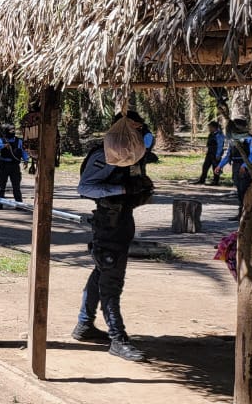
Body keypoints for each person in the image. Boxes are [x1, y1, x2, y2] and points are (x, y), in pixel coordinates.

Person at [71, 137, 154, 362]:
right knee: (111, 282)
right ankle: (118, 339)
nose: (144, 136)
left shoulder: (131, 153)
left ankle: (84, 324)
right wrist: (123, 189)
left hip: (121, 221)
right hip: (109, 223)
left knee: (102, 272)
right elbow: (85, 187)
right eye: (138, 131)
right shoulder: (106, 154)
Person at [217, 119, 252, 221]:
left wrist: (245, 166)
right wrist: (220, 165)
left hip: (246, 167)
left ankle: (246, 213)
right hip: (236, 166)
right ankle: (241, 213)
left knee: (245, 190)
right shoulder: (234, 140)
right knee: (239, 190)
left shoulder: (249, 139)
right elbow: (229, 153)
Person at [0, 125, 29, 209]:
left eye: (13, 130)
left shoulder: (19, 141)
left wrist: (26, 160)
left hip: (15, 166)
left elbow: (23, 151)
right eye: (11, 130)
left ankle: (19, 205)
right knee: (1, 186)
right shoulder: (0, 140)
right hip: (4, 166)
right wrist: (3, 146)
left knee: (16, 186)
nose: (13, 132)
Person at [193, 121, 225, 185]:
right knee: (205, 166)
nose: (209, 129)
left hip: (215, 153)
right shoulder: (211, 134)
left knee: (215, 167)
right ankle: (202, 180)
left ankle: (216, 181)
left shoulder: (219, 135)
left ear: (214, 127)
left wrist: (218, 154)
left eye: (210, 127)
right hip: (209, 153)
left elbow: (220, 145)